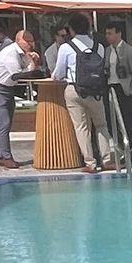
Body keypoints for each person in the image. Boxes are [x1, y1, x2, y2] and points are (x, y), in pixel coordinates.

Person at [50, 14, 115, 174]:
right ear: (88, 28)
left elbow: (58, 73)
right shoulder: (98, 46)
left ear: (71, 30)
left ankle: (90, 163)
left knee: (81, 127)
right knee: (101, 125)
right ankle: (106, 160)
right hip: (95, 91)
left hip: (74, 90)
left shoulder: (66, 47)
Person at [0, 29, 38, 170]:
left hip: (7, 89)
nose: (30, 44)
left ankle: (1, 156)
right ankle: (6, 157)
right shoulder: (10, 53)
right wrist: (31, 64)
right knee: (4, 122)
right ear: (18, 40)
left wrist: (33, 61)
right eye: (27, 41)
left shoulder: (22, 54)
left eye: (31, 40)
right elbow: (17, 75)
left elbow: (29, 70)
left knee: (6, 123)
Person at [103, 21, 132, 149]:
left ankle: (128, 147)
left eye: (110, 33)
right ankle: (120, 143)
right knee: (109, 119)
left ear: (118, 34)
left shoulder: (129, 51)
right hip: (110, 87)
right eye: (107, 33)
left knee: (126, 119)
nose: (108, 36)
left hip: (124, 89)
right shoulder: (107, 51)